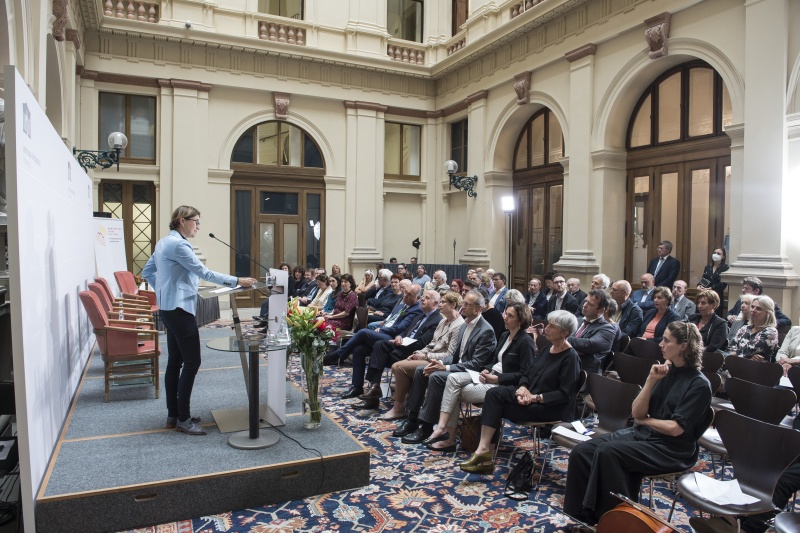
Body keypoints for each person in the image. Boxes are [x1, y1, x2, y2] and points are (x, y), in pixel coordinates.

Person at [563, 321, 712, 526]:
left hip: (672, 448)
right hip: (645, 434)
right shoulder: (665, 371)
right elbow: (637, 412)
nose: (660, 343)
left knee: (609, 453)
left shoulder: (699, 384)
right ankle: (580, 517)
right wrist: (650, 381)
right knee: (582, 452)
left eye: (667, 340)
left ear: (684, 346)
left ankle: (616, 523)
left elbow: (676, 429)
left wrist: (646, 421)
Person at [142, 205, 257, 436]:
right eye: (196, 221)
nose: (198, 226)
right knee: (192, 362)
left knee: (175, 362)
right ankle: (183, 419)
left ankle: (173, 414)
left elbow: (147, 272)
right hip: (180, 310)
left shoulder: (163, 242)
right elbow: (205, 273)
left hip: (168, 308)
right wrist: (237, 280)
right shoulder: (180, 245)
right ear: (182, 220)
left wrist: (164, 290)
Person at [459, 310, 581, 474]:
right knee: (493, 394)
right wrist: (523, 387)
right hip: (530, 396)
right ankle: (483, 450)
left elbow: (564, 394)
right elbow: (528, 374)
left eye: (552, 326)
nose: (546, 328)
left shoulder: (570, 358)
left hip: (549, 407)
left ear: (564, 333)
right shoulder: (546, 350)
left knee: (496, 407)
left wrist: (534, 398)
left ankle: (485, 454)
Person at [424, 301, 535, 451]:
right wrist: (487, 371)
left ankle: (447, 436)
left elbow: (526, 373)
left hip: (503, 384)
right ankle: (443, 428)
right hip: (490, 376)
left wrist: (497, 378)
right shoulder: (504, 335)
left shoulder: (525, 341)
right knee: (452, 379)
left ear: (521, 320)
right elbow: (495, 361)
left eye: (510, 316)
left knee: (454, 390)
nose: (505, 318)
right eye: (505, 314)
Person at [382, 292, 465, 421]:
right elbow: (432, 343)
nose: (440, 305)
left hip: (439, 361)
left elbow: (450, 354)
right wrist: (418, 353)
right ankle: (406, 403)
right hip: (428, 355)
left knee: (399, 367)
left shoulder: (459, 325)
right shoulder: (443, 321)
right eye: (440, 301)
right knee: (396, 365)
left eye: (443, 302)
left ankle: (399, 408)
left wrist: (425, 356)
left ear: (453, 304)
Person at [729, 295, 779, 362]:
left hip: (759, 369)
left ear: (768, 312)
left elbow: (751, 349)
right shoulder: (744, 328)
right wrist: (748, 357)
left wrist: (735, 355)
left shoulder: (771, 331)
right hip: (736, 365)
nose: (753, 310)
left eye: (758, 308)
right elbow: (732, 347)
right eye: (752, 307)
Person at [727, 276, 791, 328]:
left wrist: (765, 322)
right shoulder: (740, 301)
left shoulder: (766, 303)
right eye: (743, 288)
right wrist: (730, 316)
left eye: (747, 288)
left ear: (757, 291)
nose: (743, 290)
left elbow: (787, 321)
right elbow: (730, 312)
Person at [697, 247, 729, 317]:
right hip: (705, 295)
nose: (715, 255)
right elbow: (705, 279)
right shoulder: (708, 267)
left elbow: (723, 284)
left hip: (716, 296)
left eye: (718, 253)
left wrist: (710, 288)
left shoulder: (725, 268)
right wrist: (700, 285)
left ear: (723, 256)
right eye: (714, 253)